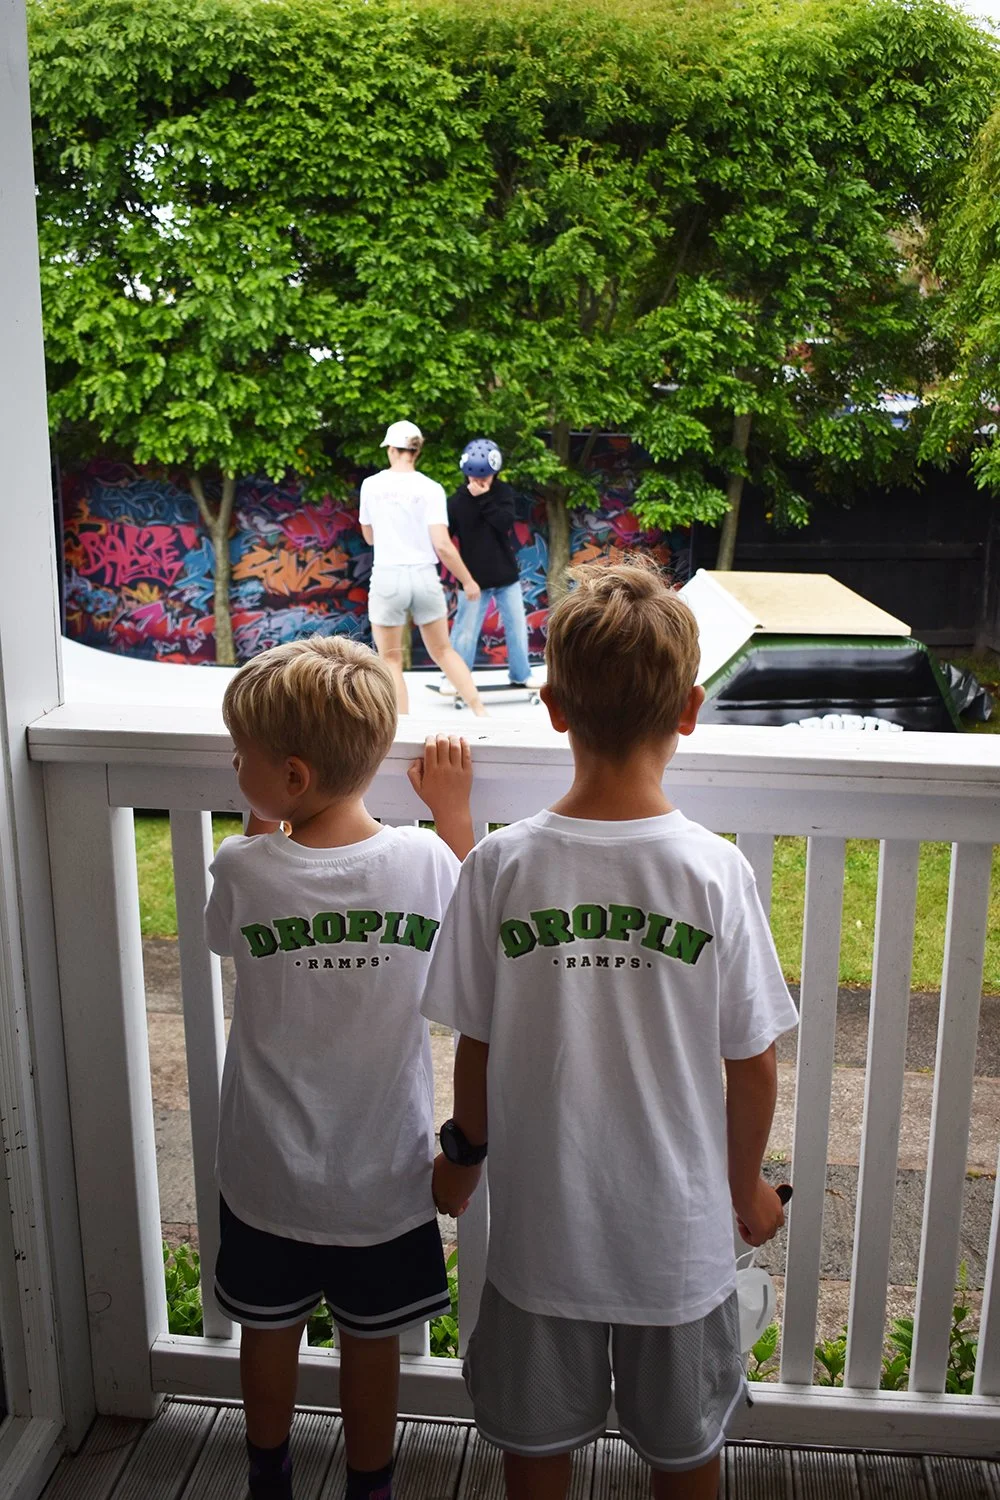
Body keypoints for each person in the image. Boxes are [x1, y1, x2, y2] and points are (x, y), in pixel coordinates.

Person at [421, 562, 799, 1500]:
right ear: (690, 709)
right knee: (687, 1456)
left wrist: (462, 1160)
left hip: (540, 1239)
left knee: (534, 1450)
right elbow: (751, 1063)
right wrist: (744, 1185)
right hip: (680, 1241)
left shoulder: (501, 866)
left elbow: (477, 1044)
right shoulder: (714, 874)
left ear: (553, 708)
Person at [204, 633, 475, 1500]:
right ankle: (370, 1486)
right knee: (372, 1344)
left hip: (267, 1174)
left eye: (240, 755)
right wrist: (456, 815)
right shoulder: (425, 861)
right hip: (383, 1175)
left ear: (290, 778)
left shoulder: (246, 868)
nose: (231, 764)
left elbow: (223, 933)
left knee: (268, 1332)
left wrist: (263, 822)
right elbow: (476, 936)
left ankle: (268, 1475)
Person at [359, 419, 487, 716]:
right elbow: (442, 544)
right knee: (443, 651)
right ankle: (480, 712)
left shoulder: (371, 485)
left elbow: (369, 536)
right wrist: (468, 581)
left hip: (388, 575)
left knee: (391, 660)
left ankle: (403, 727)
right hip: (424, 577)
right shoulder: (431, 488)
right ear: (416, 452)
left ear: (392, 449)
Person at [446, 439, 532, 687]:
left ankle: (521, 675)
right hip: (473, 580)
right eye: (476, 478)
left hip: (506, 577)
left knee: (517, 627)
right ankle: (456, 679)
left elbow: (504, 523)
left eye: (487, 478)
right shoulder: (457, 501)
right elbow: (445, 537)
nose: (482, 482)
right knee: (465, 632)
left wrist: (484, 499)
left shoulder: (502, 492)